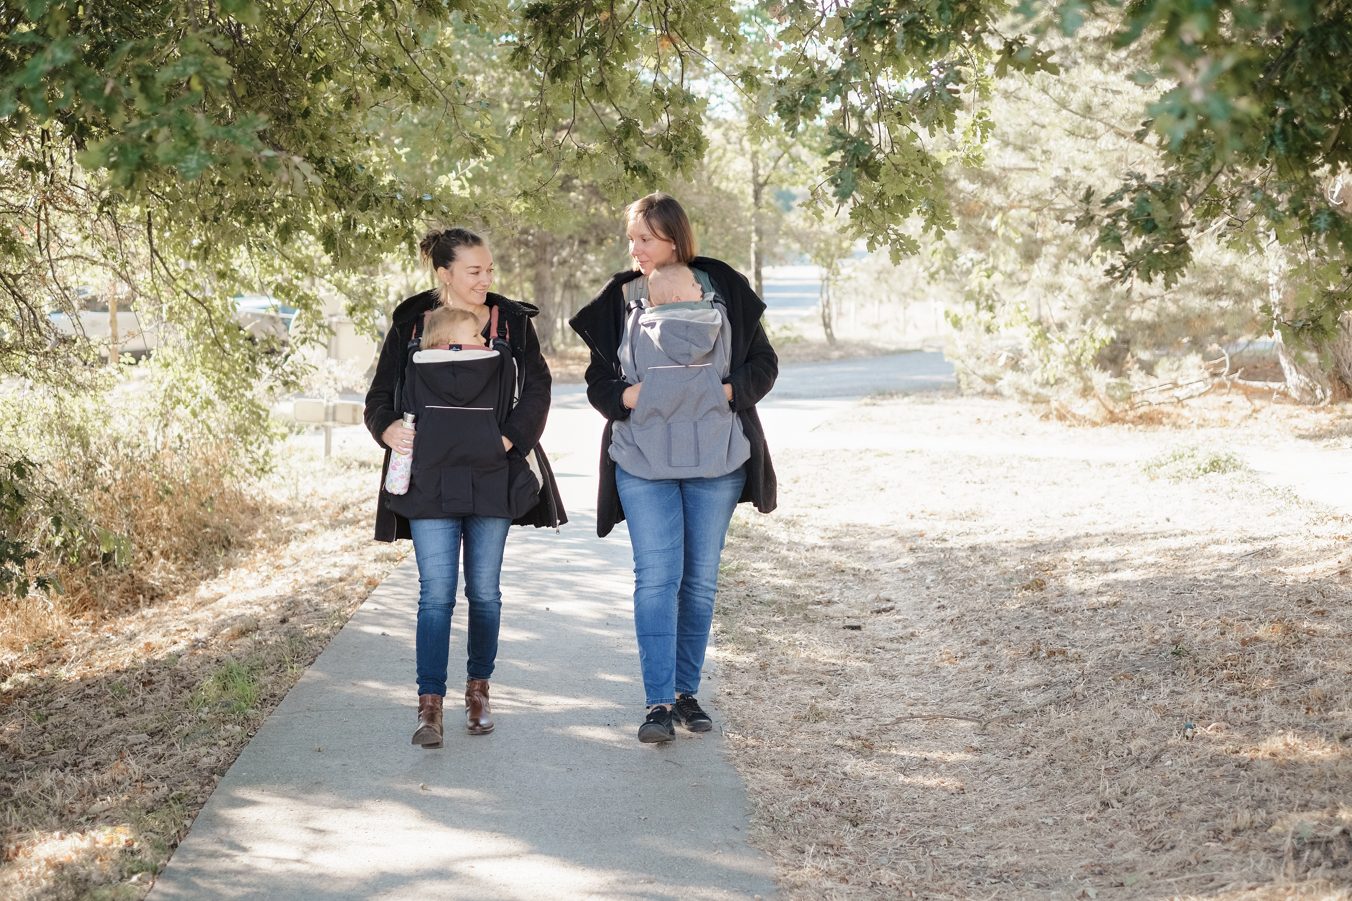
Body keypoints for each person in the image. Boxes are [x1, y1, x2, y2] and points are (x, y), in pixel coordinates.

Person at [568, 193, 778, 744]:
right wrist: (631, 397)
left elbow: (764, 363)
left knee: (700, 582)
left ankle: (687, 694)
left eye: (646, 239)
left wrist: (723, 392)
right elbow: (598, 381)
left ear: (675, 239)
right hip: (641, 457)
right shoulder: (619, 299)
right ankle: (657, 702)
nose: (635, 249)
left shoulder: (723, 287)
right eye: (632, 238)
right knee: (657, 578)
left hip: (717, 457)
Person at [365, 227, 566, 750]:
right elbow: (381, 393)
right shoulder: (411, 323)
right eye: (474, 271)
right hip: (429, 476)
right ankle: (429, 706)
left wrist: (509, 439)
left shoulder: (512, 322)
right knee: (435, 595)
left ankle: (479, 692)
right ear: (445, 274)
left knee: (485, 592)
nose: (485, 280)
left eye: (490, 270)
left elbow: (538, 387)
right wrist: (386, 427)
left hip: (492, 474)